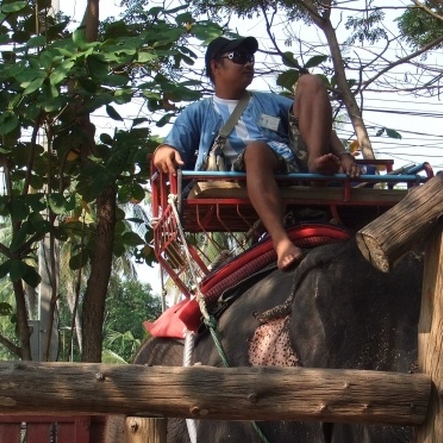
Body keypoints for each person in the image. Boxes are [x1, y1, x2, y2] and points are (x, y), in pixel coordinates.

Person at [152, 35, 360, 270]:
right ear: (215, 66)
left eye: (250, 58)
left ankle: (314, 163)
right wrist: (164, 149)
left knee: (310, 82)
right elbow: (172, 144)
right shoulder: (198, 111)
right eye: (239, 57)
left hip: (288, 162)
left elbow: (314, 119)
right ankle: (281, 242)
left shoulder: (268, 102)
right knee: (256, 151)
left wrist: (344, 155)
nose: (249, 64)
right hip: (240, 168)